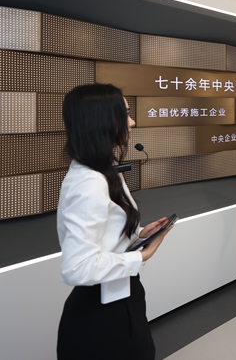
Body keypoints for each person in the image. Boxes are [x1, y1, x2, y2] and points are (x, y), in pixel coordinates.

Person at [57, 83, 172, 360]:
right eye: (125, 114)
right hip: (100, 319)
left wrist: (138, 235)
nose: (132, 122)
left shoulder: (104, 169)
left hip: (122, 297)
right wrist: (141, 255)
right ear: (100, 120)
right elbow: (77, 268)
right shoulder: (89, 183)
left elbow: (105, 236)